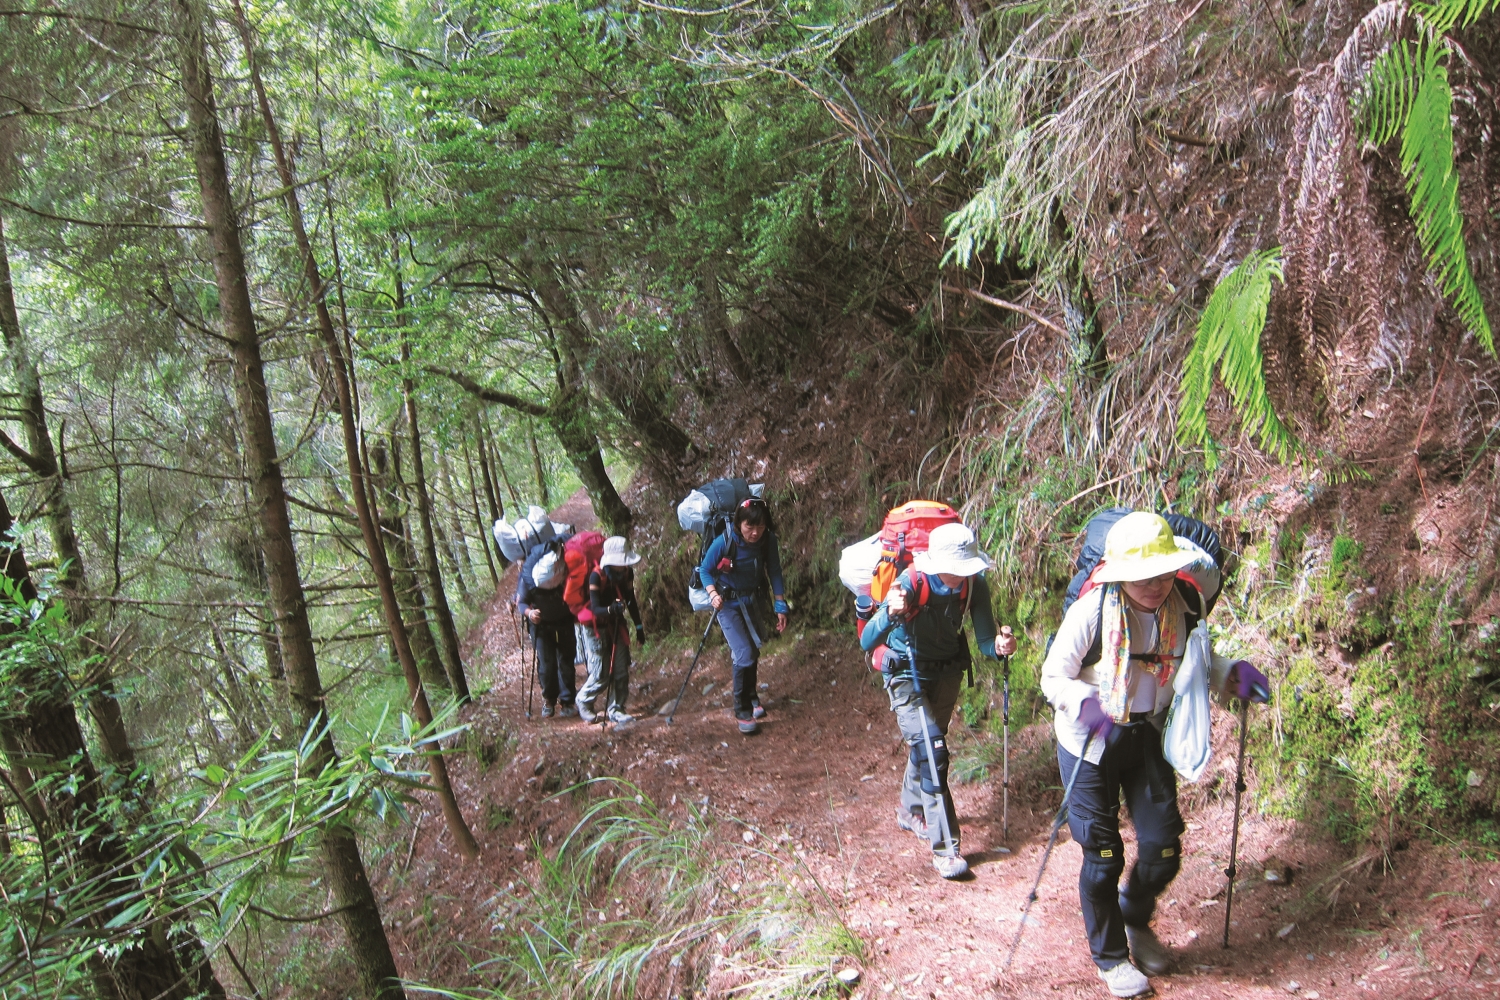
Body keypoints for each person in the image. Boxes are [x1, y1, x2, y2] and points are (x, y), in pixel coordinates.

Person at [1040, 511, 1269, 998]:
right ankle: (1111, 959)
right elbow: (1053, 676)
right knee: (1103, 857)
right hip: (1089, 743)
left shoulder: (1184, 606)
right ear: (1119, 573)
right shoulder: (1092, 612)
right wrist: (1085, 705)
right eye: (1143, 576)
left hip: (1147, 735)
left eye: (1163, 573)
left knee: (1163, 849)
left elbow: (1196, 663)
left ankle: (1134, 915)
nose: (1155, 584)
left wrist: (1232, 675)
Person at [859, 522, 1018, 879]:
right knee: (933, 752)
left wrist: (999, 647)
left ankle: (909, 809)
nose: (961, 575)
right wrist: (891, 611)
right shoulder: (910, 582)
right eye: (956, 569)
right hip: (905, 674)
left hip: (947, 674)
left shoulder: (974, 584)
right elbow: (867, 640)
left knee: (928, 744)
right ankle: (946, 849)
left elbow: (984, 641)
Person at [698, 497, 789, 735]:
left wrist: (780, 604)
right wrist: (712, 594)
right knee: (743, 652)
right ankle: (742, 710)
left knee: (753, 651)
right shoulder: (724, 541)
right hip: (727, 604)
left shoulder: (767, 540)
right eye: (750, 526)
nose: (755, 532)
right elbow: (705, 570)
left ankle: (752, 696)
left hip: (752, 601)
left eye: (761, 526)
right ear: (739, 523)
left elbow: (774, 570)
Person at [577, 536, 644, 725]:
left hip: (616, 624)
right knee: (601, 673)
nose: (625, 565)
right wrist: (610, 609)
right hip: (595, 627)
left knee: (621, 668)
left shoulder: (627, 573)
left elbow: (630, 599)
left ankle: (617, 708)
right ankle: (584, 700)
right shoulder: (596, 576)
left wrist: (639, 627)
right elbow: (595, 607)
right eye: (622, 562)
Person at [516, 546, 576, 718]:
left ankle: (567, 701)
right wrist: (530, 613)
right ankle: (549, 699)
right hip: (541, 627)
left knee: (566, 661)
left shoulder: (564, 572)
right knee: (547, 663)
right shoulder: (529, 577)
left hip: (564, 622)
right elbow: (522, 603)